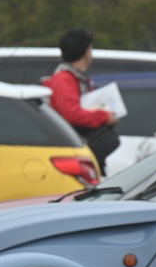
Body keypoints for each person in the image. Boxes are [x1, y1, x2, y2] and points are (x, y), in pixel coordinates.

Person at [40, 28, 119, 172]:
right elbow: (72, 114)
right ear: (86, 51)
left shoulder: (77, 78)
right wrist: (104, 116)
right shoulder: (64, 79)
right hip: (71, 147)